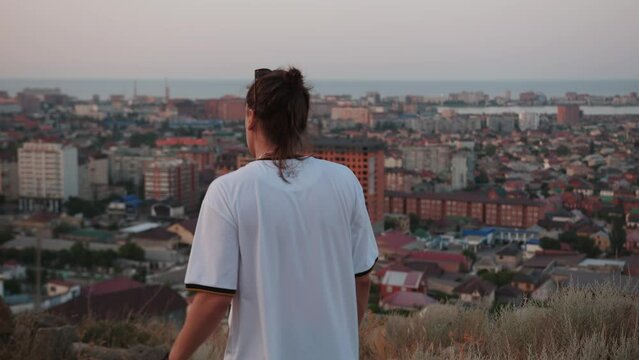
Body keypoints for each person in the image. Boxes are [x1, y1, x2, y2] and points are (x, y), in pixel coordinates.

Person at [168, 67, 378, 360]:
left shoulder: (228, 192)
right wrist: (342, 339)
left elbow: (213, 299)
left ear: (251, 117)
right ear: (301, 120)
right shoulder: (345, 181)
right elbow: (362, 279)